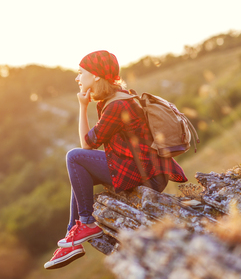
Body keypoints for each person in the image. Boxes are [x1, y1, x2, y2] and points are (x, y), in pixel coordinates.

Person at [44, 50, 188, 270]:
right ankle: (72, 238)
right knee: (79, 175)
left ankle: (86, 224)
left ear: (96, 76)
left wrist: (83, 107)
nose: (77, 78)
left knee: (74, 158)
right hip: (142, 169)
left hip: (146, 177)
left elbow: (86, 145)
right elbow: (91, 144)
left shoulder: (116, 105)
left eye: (80, 72)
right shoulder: (117, 98)